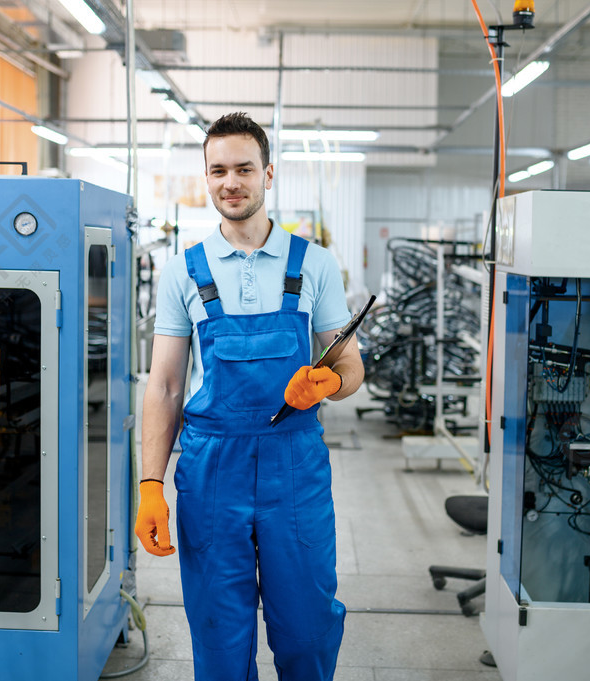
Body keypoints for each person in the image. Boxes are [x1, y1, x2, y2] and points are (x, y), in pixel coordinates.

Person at [134, 111, 364, 681]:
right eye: (218, 171)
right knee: (218, 635)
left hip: (295, 465)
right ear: (206, 179)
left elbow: (351, 365)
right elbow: (163, 385)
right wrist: (150, 484)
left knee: (308, 630)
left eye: (243, 168)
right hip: (213, 471)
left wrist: (329, 382)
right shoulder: (183, 272)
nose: (230, 182)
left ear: (267, 175)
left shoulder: (313, 264)